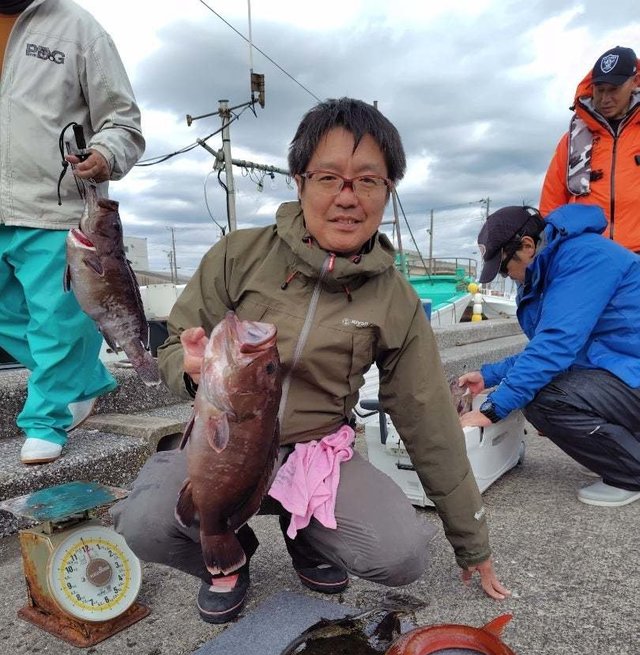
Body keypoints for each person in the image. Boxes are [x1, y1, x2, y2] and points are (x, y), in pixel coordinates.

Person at [111, 97, 509, 625]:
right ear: (299, 181)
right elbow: (170, 346)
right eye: (329, 177)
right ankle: (228, 554)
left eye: (368, 181)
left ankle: (308, 539)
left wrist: (471, 539)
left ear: (387, 192)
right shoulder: (238, 255)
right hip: (225, 445)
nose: (348, 197)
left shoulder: (396, 300)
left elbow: (426, 414)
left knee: (402, 554)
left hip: (316, 453)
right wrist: (188, 370)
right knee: (143, 524)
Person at [0, 0, 145, 464]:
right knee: (23, 322)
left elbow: (123, 121)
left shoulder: (79, 28)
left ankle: (47, 418)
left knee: (58, 320)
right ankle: (80, 379)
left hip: (55, 204)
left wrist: (106, 153)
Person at [458, 203, 640, 508]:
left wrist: (492, 410)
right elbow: (557, 349)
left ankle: (630, 473)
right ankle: (619, 453)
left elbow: (555, 347)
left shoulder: (584, 258)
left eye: (505, 268)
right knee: (543, 385)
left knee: (543, 399)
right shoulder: (560, 263)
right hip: (625, 369)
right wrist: (489, 376)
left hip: (630, 372)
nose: (508, 276)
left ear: (528, 246)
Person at [539, 45, 640, 253]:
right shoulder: (572, 140)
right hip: (588, 259)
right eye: (599, 89)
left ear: (635, 82)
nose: (605, 99)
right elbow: (551, 207)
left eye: (613, 90)